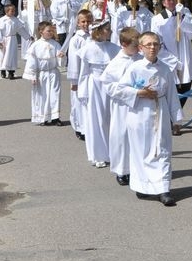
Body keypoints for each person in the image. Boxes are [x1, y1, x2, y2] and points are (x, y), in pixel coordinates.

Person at [116, 31, 183, 206]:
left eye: (156, 44)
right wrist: (139, 92)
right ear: (141, 48)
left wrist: (176, 119)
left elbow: (172, 94)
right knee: (141, 151)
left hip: (160, 112)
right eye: (148, 44)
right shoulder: (135, 68)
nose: (152, 47)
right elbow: (120, 90)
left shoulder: (165, 69)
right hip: (140, 114)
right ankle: (142, 185)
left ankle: (163, 189)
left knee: (162, 150)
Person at [102, 27, 142, 186]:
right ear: (124, 44)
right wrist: (130, 92)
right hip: (122, 105)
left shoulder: (140, 60)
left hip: (140, 104)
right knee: (121, 136)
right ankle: (122, 170)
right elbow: (108, 85)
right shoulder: (116, 63)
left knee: (138, 136)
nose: (138, 49)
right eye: (135, 46)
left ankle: (137, 169)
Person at [77, 19, 118, 168]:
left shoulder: (114, 48)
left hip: (110, 86)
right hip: (95, 86)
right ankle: (98, 154)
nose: (110, 31)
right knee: (97, 120)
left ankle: (113, 153)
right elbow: (84, 73)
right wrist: (82, 92)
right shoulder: (88, 49)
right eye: (107, 29)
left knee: (111, 119)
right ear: (98, 32)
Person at [150, 0, 192, 108]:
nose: (172, 2)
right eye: (169, 0)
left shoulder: (184, 12)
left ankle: (178, 114)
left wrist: (182, 16)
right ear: (163, 3)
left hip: (185, 57)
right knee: (171, 94)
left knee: (185, 89)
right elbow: (157, 44)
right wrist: (173, 62)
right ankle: (171, 116)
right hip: (169, 61)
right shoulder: (157, 19)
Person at [22, 21, 63, 126]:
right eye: (48, 31)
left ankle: (55, 117)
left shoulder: (55, 44)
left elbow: (61, 61)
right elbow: (31, 62)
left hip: (53, 73)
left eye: (52, 31)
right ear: (41, 32)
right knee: (42, 96)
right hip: (41, 74)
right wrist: (32, 76)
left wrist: (61, 57)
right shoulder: (36, 45)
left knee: (55, 95)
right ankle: (42, 117)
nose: (51, 33)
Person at [61, 10, 93, 140]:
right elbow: (73, 61)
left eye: (89, 21)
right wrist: (74, 81)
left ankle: (89, 127)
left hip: (91, 75)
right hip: (80, 75)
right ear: (78, 23)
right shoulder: (76, 39)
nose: (86, 24)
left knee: (89, 103)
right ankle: (80, 127)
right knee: (79, 103)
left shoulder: (93, 37)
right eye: (83, 21)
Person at [0, 3, 33, 79]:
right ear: (6, 11)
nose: (13, 12)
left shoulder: (16, 20)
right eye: (12, 11)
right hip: (4, 40)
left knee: (12, 55)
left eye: (14, 11)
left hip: (12, 40)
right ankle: (3, 70)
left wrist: (28, 37)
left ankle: (11, 72)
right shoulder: (2, 20)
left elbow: (21, 30)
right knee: (3, 55)